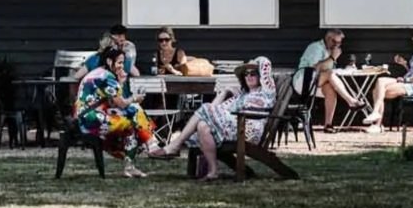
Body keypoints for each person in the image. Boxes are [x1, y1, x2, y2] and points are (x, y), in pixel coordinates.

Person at [149, 57, 276, 181]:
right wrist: (225, 92)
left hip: (248, 131)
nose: (249, 76)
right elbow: (215, 108)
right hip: (233, 128)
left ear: (261, 76)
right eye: (246, 74)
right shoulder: (242, 96)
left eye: (253, 73)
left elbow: (265, 62)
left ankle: (175, 145)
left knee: (205, 110)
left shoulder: (266, 93)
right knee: (203, 125)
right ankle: (213, 171)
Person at [72, 45, 155, 178]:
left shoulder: (98, 72)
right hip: (91, 120)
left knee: (132, 112)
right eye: (120, 62)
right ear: (110, 62)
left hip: (83, 117)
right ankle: (147, 147)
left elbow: (111, 103)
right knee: (132, 122)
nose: (122, 66)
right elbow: (121, 103)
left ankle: (148, 144)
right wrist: (135, 98)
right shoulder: (108, 77)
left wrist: (121, 84)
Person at [363, 30, 413, 130]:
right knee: (380, 81)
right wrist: (404, 64)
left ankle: (377, 124)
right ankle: (375, 115)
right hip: (406, 80)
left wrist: (406, 80)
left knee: (377, 91)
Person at [297, 29, 361, 132]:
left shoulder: (330, 50)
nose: (337, 45)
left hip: (316, 82)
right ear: (328, 39)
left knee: (330, 89)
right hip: (303, 80)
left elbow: (326, 69)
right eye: (335, 42)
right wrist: (332, 58)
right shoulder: (316, 47)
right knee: (330, 74)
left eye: (339, 42)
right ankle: (351, 100)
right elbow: (316, 68)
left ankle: (328, 125)